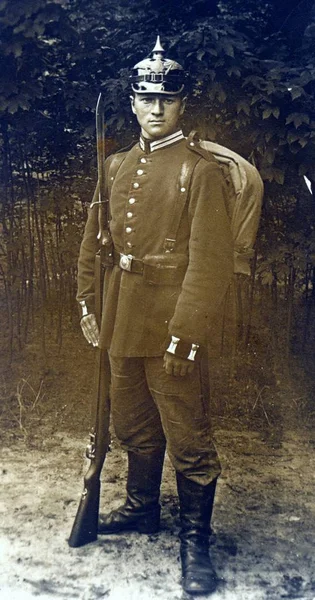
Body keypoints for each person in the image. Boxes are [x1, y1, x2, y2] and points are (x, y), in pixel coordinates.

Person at [77, 36, 234, 596]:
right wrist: (89, 305)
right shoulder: (116, 164)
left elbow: (211, 261)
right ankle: (143, 509)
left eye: (165, 99)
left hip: (172, 323)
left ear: (182, 105)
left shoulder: (201, 170)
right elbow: (94, 244)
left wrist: (186, 334)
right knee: (133, 424)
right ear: (133, 104)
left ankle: (196, 543)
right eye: (146, 98)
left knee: (189, 437)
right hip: (123, 317)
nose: (155, 108)